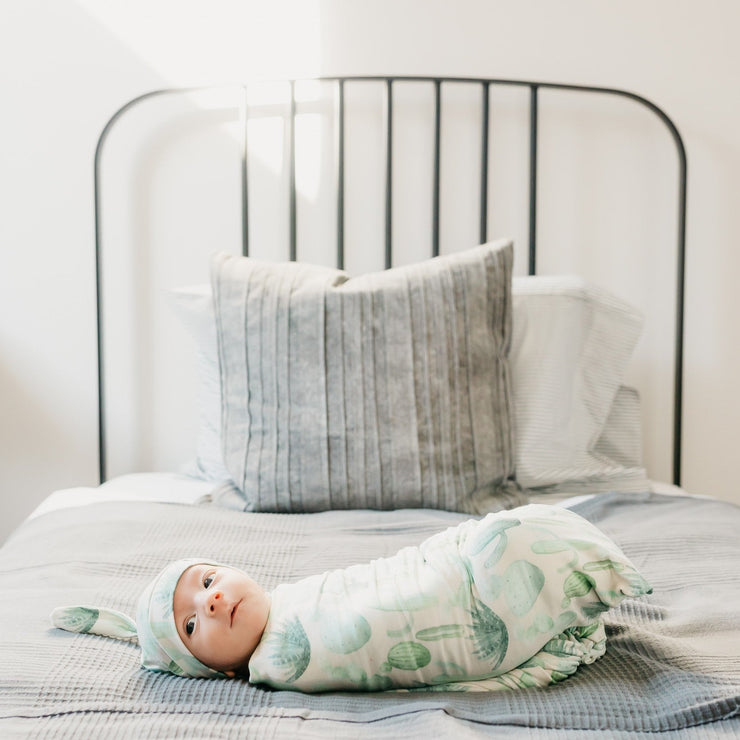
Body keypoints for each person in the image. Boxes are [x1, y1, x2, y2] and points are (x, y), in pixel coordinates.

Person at [51, 504, 651, 692]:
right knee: (505, 546)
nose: (208, 602)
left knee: (493, 536)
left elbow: (384, 577)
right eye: (189, 626)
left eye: (207, 581)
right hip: (466, 612)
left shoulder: (287, 599)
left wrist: (453, 549)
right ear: (220, 667)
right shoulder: (279, 657)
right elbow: (380, 629)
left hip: (443, 572)